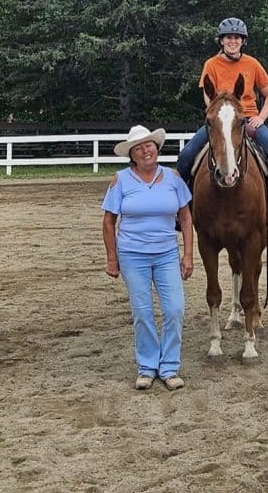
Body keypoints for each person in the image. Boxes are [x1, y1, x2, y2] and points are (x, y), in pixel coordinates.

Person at [175, 17, 268, 234]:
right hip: (219, 121)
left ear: (243, 41)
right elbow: (208, 95)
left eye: (236, 38)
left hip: (247, 119)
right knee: (186, 157)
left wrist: (260, 117)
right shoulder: (211, 65)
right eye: (228, 38)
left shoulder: (252, 64)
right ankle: (181, 209)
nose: (232, 41)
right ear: (221, 41)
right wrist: (219, 117)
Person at [102, 125, 195, 391]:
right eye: (139, 148)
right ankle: (147, 366)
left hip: (166, 254)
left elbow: (186, 217)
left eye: (149, 145)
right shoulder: (120, 181)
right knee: (142, 313)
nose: (146, 151)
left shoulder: (173, 177)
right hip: (133, 255)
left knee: (175, 310)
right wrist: (112, 258)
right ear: (132, 154)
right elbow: (109, 222)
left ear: (157, 147)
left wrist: (187, 254)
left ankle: (169, 367)